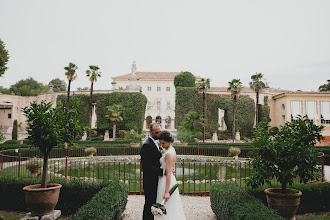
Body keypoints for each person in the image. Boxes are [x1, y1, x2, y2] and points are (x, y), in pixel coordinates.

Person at [155, 130, 186, 220]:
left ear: (168, 141)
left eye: (163, 143)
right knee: (170, 207)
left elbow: (168, 173)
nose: (161, 145)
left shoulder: (168, 153)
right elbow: (172, 166)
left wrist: (166, 191)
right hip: (170, 179)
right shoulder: (172, 150)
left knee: (166, 206)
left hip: (166, 180)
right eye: (160, 143)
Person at [140, 123, 163, 220]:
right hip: (150, 181)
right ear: (150, 132)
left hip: (156, 180)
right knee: (149, 203)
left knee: (154, 203)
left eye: (160, 132)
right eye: (156, 132)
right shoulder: (146, 145)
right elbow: (146, 166)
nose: (159, 134)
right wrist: (161, 171)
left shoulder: (157, 143)